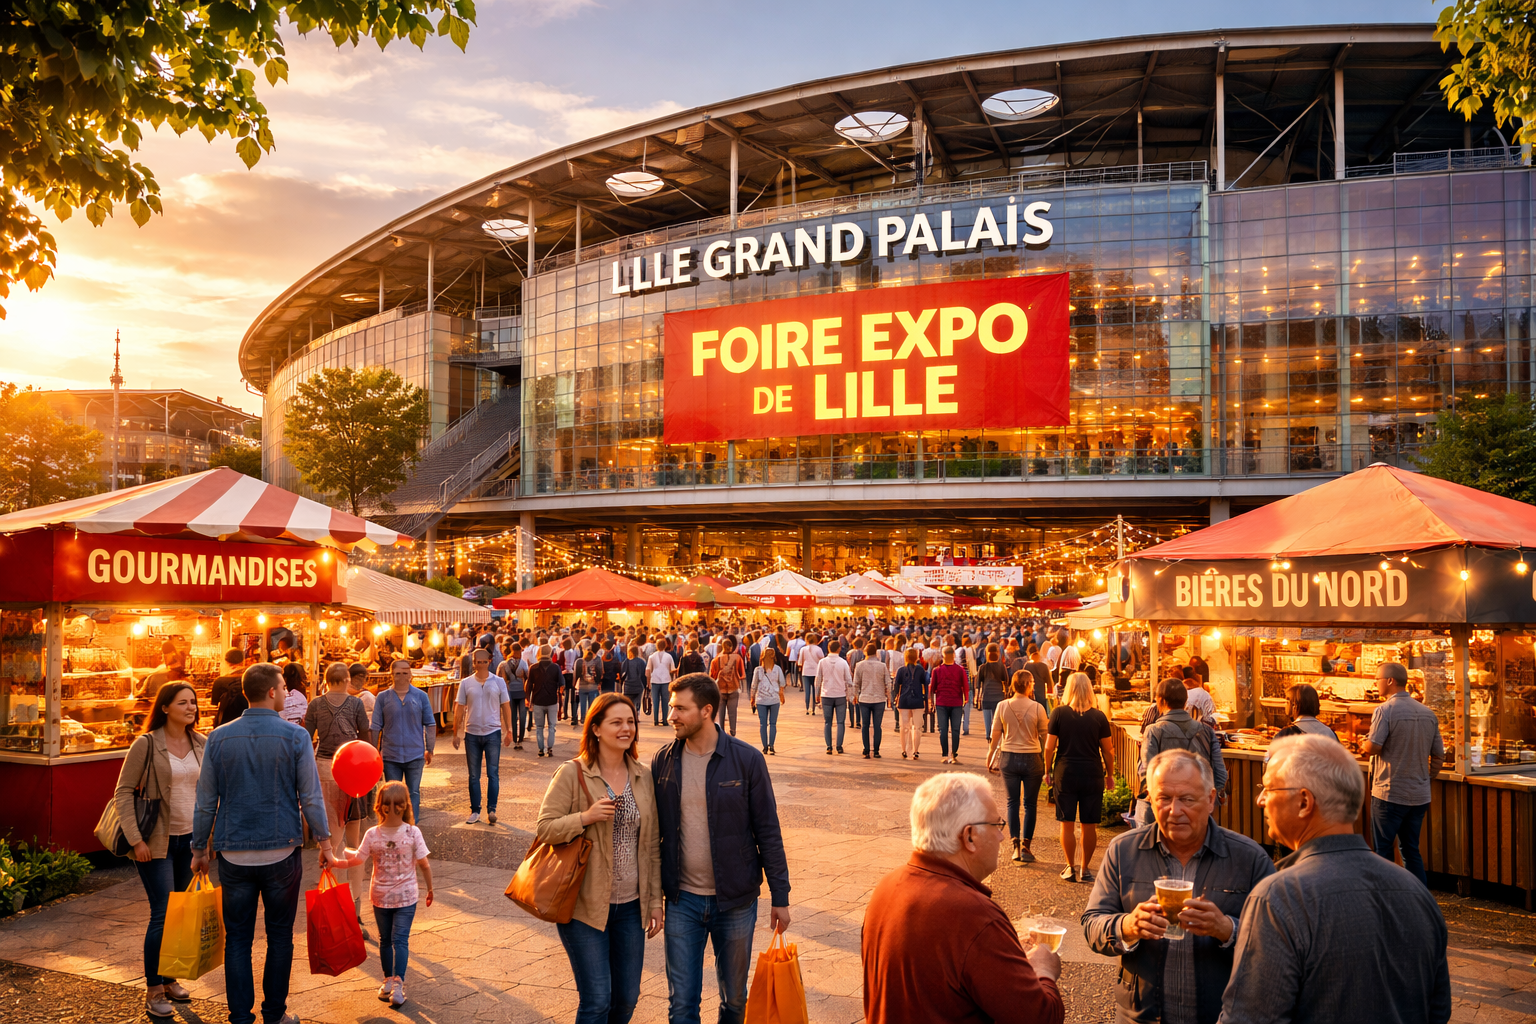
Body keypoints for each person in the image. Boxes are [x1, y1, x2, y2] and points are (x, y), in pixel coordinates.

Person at [1222, 735, 1451, 1024]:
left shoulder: (1278, 897)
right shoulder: (1416, 892)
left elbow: (1251, 1018)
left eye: (1268, 788)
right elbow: (1438, 1011)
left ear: (1304, 801)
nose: (1260, 800)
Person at [1083, 749, 1275, 1024]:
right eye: (1164, 798)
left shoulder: (1249, 858)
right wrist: (1128, 926)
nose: (1175, 811)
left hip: (1221, 1016)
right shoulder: (1124, 850)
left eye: (1187, 799)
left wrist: (1228, 930)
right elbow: (1092, 924)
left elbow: (1277, 944)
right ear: (1150, 798)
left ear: (1211, 800)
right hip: (1140, 1017)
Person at [191, 664, 333, 1024]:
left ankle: (240, 1017)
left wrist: (199, 848)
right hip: (281, 851)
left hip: (234, 851)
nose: (287, 693)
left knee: (237, 939)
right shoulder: (295, 736)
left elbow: (206, 799)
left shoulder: (218, 738)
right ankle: (274, 1014)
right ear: (271, 692)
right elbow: (310, 797)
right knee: (280, 936)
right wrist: (326, 843)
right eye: (284, 687)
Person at [862, 772, 1064, 1024]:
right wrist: (1044, 970)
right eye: (996, 825)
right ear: (969, 836)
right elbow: (1040, 1018)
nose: (1002, 836)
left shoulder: (887, 887)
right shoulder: (974, 915)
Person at [652, 673, 791, 1024]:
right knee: (681, 1004)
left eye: (680, 708)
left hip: (736, 900)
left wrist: (780, 896)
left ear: (707, 711)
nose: (672, 715)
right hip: (682, 900)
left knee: (735, 1000)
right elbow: (653, 836)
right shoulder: (664, 761)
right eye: (672, 707)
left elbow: (768, 831)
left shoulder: (746, 760)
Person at [536, 693, 663, 1024]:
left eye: (630, 722)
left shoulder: (642, 775)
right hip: (584, 906)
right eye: (616, 722)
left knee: (627, 999)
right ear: (595, 729)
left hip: (631, 906)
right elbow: (545, 828)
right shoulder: (572, 772)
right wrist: (585, 817)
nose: (626, 729)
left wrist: (654, 901)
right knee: (596, 1001)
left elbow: (650, 842)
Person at [116, 683, 206, 1020]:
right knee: (162, 913)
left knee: (178, 913)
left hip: (190, 840)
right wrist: (136, 838)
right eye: (183, 702)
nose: (191, 707)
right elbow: (123, 792)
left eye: (194, 702)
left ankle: (169, 979)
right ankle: (154, 989)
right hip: (155, 842)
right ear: (165, 707)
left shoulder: (201, 743)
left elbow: (208, 793)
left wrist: (205, 843)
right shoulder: (147, 744)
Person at [330, 780, 433, 1009]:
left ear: (380, 806)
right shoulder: (412, 832)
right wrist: (430, 888)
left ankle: (387, 981)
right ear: (405, 805)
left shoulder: (372, 834)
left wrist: (334, 860)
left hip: (380, 897)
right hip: (407, 897)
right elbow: (424, 865)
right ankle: (398, 984)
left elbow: (357, 858)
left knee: (385, 940)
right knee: (401, 940)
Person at [1359, 661, 1445, 886]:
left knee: (1383, 850)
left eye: (1377, 679)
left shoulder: (1384, 710)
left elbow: (1375, 747)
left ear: (1390, 681)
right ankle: (1419, 898)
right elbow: (1438, 755)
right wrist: (1426, 778)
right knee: (1410, 850)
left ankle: (1387, 898)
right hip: (1419, 796)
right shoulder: (1428, 713)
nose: (1375, 683)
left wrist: (1363, 744)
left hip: (1389, 792)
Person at [304, 663, 374, 933]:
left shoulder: (315, 704)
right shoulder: (356, 704)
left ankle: (336, 905)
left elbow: (307, 738)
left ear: (325, 680)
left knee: (333, 842)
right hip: (354, 769)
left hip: (324, 770)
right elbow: (366, 739)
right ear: (347, 680)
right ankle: (354, 910)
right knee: (355, 843)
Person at [1045, 672, 1114, 883]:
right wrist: (1110, 774)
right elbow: (1108, 751)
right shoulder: (1099, 716)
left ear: (1068, 689)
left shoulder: (1058, 713)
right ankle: (1085, 869)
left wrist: (1047, 771)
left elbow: (1049, 747)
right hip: (1092, 774)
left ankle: (1070, 867)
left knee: (1066, 823)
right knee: (1088, 824)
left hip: (1065, 772)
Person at [1139, 679, 1227, 821]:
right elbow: (1220, 773)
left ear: (1159, 700)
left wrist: (1154, 797)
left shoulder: (1153, 731)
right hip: (1198, 806)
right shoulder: (1206, 731)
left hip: (1164, 809)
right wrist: (1207, 799)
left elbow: (1146, 771)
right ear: (1186, 702)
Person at [987, 670, 1050, 864]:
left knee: (1012, 802)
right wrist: (1048, 765)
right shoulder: (1038, 707)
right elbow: (1045, 737)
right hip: (1033, 758)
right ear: (1030, 685)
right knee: (1030, 804)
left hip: (1009, 758)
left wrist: (990, 757)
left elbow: (995, 735)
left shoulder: (1002, 706)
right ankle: (1026, 846)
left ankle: (1014, 845)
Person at [371, 659, 436, 824]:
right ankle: (394, 824)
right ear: (391, 675)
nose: (401, 676)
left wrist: (430, 748)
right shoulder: (383, 697)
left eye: (405, 673)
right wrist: (374, 751)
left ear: (410, 675)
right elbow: (376, 726)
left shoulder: (421, 696)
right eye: (397, 673)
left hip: (415, 754)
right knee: (392, 792)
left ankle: (411, 827)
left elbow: (430, 723)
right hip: (391, 756)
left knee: (413, 792)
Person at [453, 648, 512, 825]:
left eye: (484, 661)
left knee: (493, 773)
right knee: (473, 775)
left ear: (489, 661)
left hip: (492, 732)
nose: (481, 664)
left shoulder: (499, 682)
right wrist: (456, 732)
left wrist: (509, 730)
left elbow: (506, 707)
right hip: (472, 734)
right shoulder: (466, 683)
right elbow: (458, 709)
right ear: (473, 662)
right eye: (477, 662)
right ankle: (475, 810)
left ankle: (492, 809)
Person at [852, 640, 891, 758]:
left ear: (865, 652)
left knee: (865, 725)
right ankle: (877, 750)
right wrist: (889, 697)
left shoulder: (860, 665)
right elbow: (888, 683)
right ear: (876, 653)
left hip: (864, 698)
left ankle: (866, 749)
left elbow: (856, 683)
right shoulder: (882, 666)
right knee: (877, 726)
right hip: (879, 699)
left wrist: (855, 696)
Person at [930, 646, 969, 764]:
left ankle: (945, 754)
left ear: (943, 656)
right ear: (954, 655)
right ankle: (954, 754)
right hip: (956, 702)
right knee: (955, 729)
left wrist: (931, 701)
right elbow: (965, 686)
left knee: (943, 730)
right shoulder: (960, 669)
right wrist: (966, 699)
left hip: (941, 702)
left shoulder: (937, 670)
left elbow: (932, 687)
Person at [814, 638, 852, 755]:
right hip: (840, 694)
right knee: (840, 722)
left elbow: (818, 679)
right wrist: (850, 694)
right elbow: (849, 680)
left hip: (826, 694)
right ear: (839, 649)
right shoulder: (843, 662)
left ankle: (829, 746)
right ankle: (839, 746)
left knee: (827, 722)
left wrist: (817, 694)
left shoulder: (822, 662)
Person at [528, 644, 565, 757]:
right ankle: (549, 748)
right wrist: (561, 696)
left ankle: (540, 749)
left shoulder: (533, 667)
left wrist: (528, 699)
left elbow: (529, 685)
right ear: (550, 653)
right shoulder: (555, 667)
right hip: (552, 700)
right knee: (551, 726)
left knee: (539, 727)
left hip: (538, 700)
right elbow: (562, 684)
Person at [748, 646, 786, 754]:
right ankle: (772, 746)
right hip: (774, 699)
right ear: (774, 657)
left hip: (761, 700)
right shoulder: (777, 669)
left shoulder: (758, 670)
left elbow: (754, 685)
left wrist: (752, 697)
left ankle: (764, 747)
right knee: (773, 724)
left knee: (763, 724)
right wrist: (781, 694)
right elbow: (782, 683)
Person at [894, 647, 930, 760]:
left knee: (904, 727)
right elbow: (926, 684)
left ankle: (904, 750)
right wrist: (926, 699)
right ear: (916, 657)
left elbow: (896, 685)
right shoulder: (920, 670)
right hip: (918, 700)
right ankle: (915, 751)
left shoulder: (901, 670)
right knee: (917, 727)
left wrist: (896, 697)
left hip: (904, 700)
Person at [708, 635, 746, 736]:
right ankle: (732, 731)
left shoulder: (715, 660)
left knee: (720, 714)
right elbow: (742, 675)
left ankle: (721, 732)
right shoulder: (738, 658)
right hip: (734, 688)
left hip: (720, 689)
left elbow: (711, 677)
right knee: (732, 713)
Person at [497, 642, 529, 750]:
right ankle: (520, 739)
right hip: (521, 692)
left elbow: (498, 678)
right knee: (523, 716)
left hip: (509, 693)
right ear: (519, 651)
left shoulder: (503, 664)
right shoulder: (524, 663)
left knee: (513, 717)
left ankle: (515, 740)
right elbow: (528, 677)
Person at [976, 642, 1009, 741]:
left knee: (987, 720)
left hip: (986, 696)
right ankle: (996, 737)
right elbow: (1006, 680)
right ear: (998, 654)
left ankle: (988, 736)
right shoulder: (1001, 666)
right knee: (997, 719)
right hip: (999, 696)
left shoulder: (983, 667)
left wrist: (977, 697)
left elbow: (978, 684)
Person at [209, 648, 247, 725]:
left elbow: (214, 705)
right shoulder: (251, 679)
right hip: (248, 721)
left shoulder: (220, 681)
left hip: (226, 722)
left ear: (226, 662)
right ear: (243, 661)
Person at [647, 638, 676, 727]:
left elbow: (648, 670)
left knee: (655, 701)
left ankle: (655, 720)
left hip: (654, 680)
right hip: (666, 680)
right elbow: (672, 670)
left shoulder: (651, 657)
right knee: (665, 701)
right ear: (665, 646)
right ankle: (664, 720)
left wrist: (648, 682)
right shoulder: (669, 656)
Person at [799, 633, 824, 714]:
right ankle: (813, 708)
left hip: (806, 671)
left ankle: (807, 708)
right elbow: (822, 659)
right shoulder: (818, 649)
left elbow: (800, 661)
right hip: (815, 671)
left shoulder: (803, 649)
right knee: (815, 689)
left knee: (807, 691)